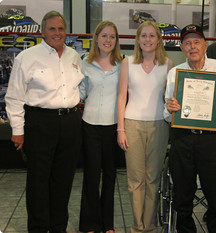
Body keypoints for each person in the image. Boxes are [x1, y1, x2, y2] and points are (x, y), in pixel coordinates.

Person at [5, 11, 84, 233]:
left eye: (60, 28)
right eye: (52, 28)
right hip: (40, 123)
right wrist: (18, 130)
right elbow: (14, 97)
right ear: (42, 31)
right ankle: (39, 228)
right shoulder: (27, 57)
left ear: (65, 31)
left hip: (70, 123)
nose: (57, 33)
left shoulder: (74, 56)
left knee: (64, 179)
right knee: (38, 180)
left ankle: (58, 226)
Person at [165, 24, 216, 233]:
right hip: (183, 138)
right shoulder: (175, 73)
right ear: (182, 48)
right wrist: (170, 108)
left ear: (205, 44)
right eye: (187, 43)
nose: (192, 47)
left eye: (196, 42)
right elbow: (167, 113)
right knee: (182, 195)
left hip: (213, 139)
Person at [117, 20, 174, 233]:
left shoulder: (167, 64)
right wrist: (120, 129)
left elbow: (170, 98)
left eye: (152, 35)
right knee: (135, 180)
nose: (148, 39)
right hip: (131, 125)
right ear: (138, 39)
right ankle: (137, 226)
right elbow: (122, 96)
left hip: (159, 126)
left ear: (159, 39)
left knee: (153, 179)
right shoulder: (128, 62)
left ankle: (149, 226)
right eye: (144, 35)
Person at [78, 21, 123, 233]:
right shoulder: (84, 63)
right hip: (90, 126)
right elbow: (80, 93)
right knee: (92, 175)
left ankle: (107, 225)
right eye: (104, 36)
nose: (108, 40)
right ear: (96, 38)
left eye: (112, 37)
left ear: (116, 41)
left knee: (110, 175)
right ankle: (89, 224)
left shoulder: (123, 66)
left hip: (113, 126)